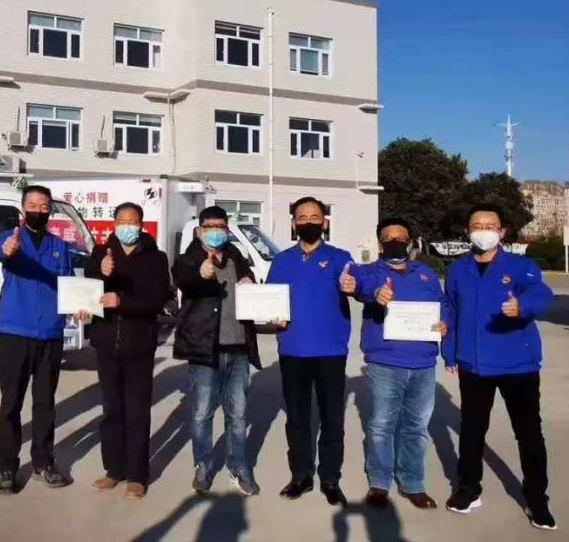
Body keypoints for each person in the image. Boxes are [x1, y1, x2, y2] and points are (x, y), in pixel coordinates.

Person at [443, 204, 556, 530]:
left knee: (528, 432)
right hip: (474, 365)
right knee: (472, 430)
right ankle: (468, 489)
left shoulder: (520, 266)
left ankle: (536, 498)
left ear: (502, 231)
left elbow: (541, 292)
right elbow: (450, 310)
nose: (483, 231)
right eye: (476, 225)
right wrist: (450, 353)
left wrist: (524, 306)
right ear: (468, 232)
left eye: (490, 225)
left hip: (517, 365)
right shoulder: (458, 270)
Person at [344, 218, 452, 510]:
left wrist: (445, 324)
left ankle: (413, 483)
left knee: (416, 427)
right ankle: (380, 483)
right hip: (385, 363)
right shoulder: (371, 272)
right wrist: (375, 294)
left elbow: (443, 305)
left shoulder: (426, 274)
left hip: (423, 363)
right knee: (381, 426)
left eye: (401, 238)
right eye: (388, 239)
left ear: (410, 242)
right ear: (381, 245)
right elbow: (359, 285)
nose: (395, 242)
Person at [266, 196, 354, 506]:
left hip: (330, 351)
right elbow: (269, 299)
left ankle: (330, 479)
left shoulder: (340, 258)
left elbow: (356, 284)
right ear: (294, 223)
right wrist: (270, 314)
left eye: (315, 217)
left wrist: (354, 285)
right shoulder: (282, 261)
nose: (308, 222)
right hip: (293, 349)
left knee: (332, 417)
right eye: (302, 217)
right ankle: (300, 476)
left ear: (325, 222)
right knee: (297, 417)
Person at [0, 185, 75, 495]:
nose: (39, 210)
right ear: (24, 208)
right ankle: (7, 467)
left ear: (50, 210)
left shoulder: (60, 246)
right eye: (33, 205)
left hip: (50, 334)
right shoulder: (11, 238)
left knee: (45, 404)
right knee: (11, 403)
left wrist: (80, 307)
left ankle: (43, 462)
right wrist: (8, 249)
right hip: (16, 332)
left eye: (44, 206)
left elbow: (68, 285)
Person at [84, 202, 171, 500]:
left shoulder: (156, 258)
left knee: (137, 411)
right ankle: (113, 470)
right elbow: (87, 284)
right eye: (122, 221)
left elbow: (157, 299)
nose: (127, 226)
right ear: (114, 223)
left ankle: (137, 475)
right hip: (106, 343)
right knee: (112, 410)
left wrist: (123, 302)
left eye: (132, 221)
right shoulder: (102, 252)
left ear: (141, 225)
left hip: (139, 344)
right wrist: (99, 270)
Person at [173, 205, 262, 497]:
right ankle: (203, 464)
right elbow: (183, 278)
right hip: (204, 350)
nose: (215, 232)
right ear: (200, 231)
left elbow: (252, 289)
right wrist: (201, 273)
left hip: (239, 349)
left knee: (238, 414)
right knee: (202, 413)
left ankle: (239, 466)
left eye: (221, 227)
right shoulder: (188, 259)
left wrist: (249, 281)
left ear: (227, 230)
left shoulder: (236, 257)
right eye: (209, 227)